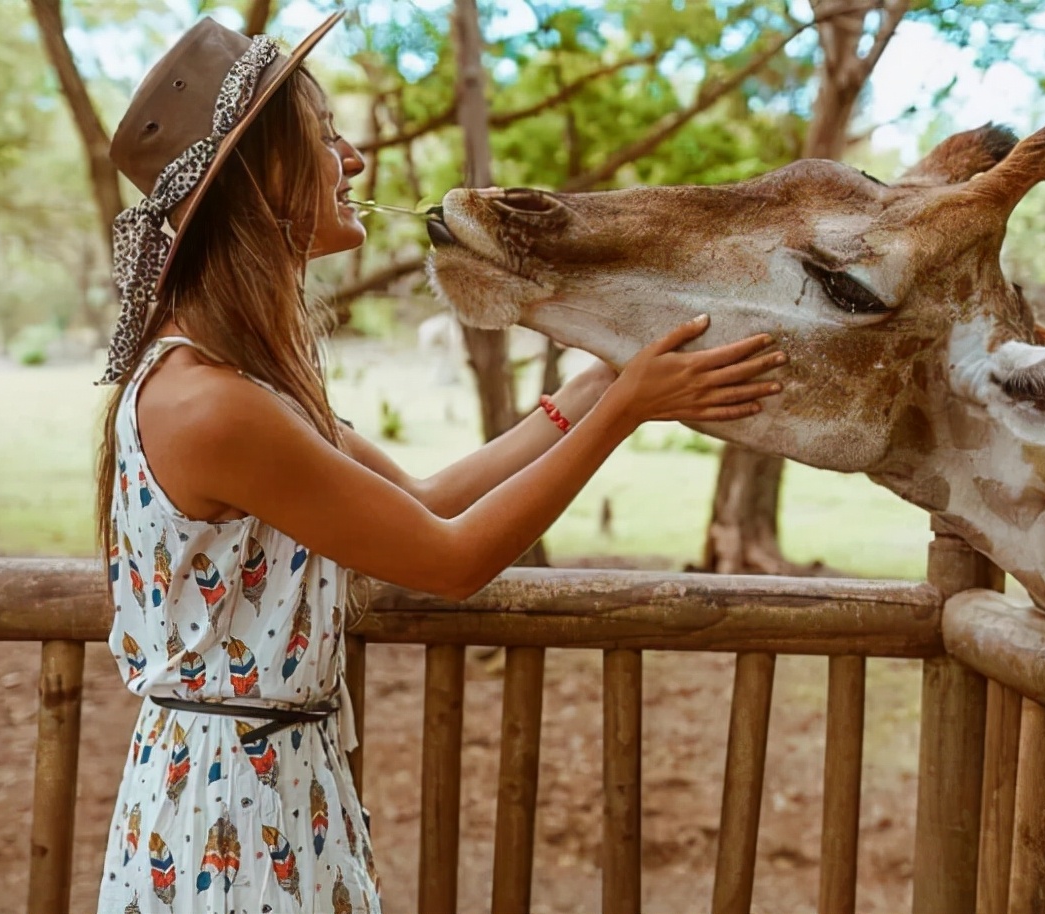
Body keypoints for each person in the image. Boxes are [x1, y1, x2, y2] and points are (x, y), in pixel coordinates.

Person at [94, 13, 786, 914]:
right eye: (325, 136)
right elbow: (448, 558)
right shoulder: (214, 408)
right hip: (228, 822)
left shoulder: (240, 384)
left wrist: (585, 390)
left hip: (269, 789)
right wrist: (626, 412)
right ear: (263, 176)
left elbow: (420, 499)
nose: (354, 158)